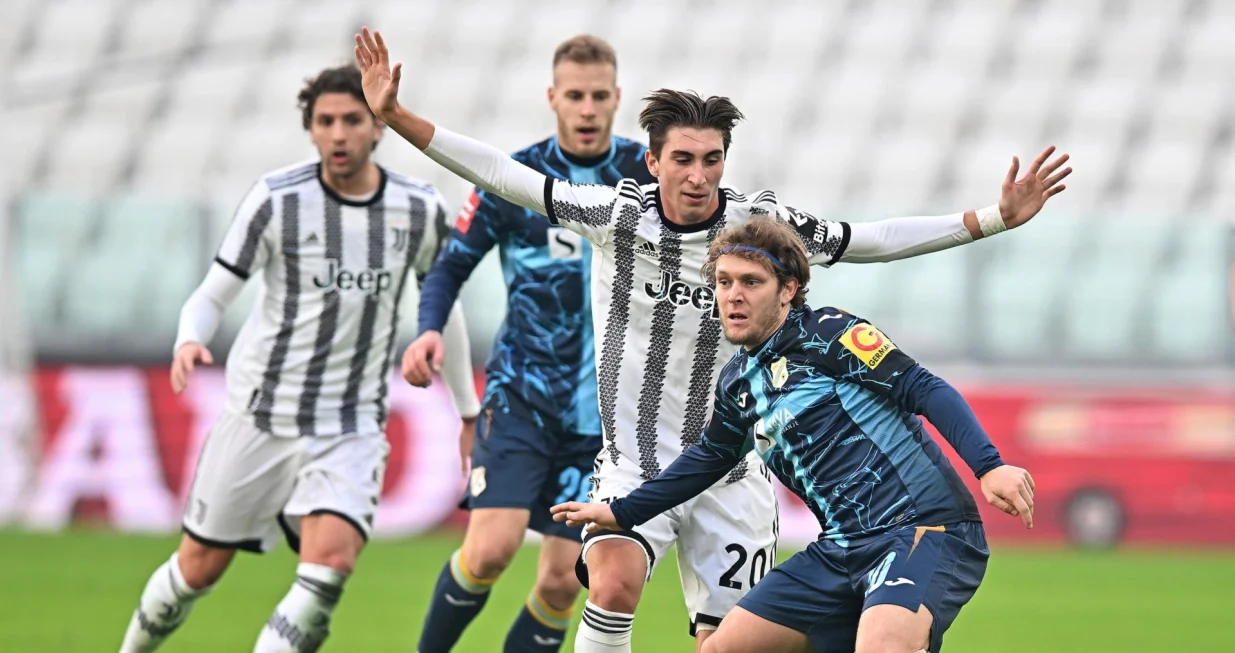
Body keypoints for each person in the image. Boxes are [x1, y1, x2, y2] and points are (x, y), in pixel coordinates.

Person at [353, 26, 1069, 652]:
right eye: (683, 159)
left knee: (721, 643)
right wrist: (399, 118)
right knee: (612, 579)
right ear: (652, 160)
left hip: (730, 470)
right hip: (633, 462)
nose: (697, 175)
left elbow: (868, 239)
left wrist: (988, 218)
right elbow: (506, 176)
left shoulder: (762, 229)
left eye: (712, 159)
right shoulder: (615, 215)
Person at [117, 65, 480, 653]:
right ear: (311, 131)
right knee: (197, 571)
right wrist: (189, 338)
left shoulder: (418, 210)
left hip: (350, 425)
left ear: (377, 128)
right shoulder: (277, 198)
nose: (339, 134)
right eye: (326, 122)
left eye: (352, 120)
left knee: (328, 568)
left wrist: (467, 411)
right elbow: (214, 292)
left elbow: (447, 307)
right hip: (260, 415)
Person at [551, 216, 1035, 653]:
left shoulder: (830, 334)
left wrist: (989, 465)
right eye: (723, 282)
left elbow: (921, 387)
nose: (733, 295)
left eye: (750, 282)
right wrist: (623, 512)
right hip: (842, 548)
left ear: (788, 289)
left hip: (921, 529)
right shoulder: (738, 380)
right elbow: (710, 458)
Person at [407, 35, 655, 653]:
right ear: (553, 98)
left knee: (562, 583)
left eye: (600, 96)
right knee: (488, 550)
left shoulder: (647, 181)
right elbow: (449, 265)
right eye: (576, 95)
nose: (589, 108)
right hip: (523, 395)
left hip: (602, 416)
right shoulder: (516, 178)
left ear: (618, 97)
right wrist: (429, 327)